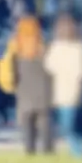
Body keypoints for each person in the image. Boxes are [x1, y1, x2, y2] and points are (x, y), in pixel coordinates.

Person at [45, 13, 82, 155]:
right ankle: (79, 151)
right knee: (76, 125)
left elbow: (49, 67)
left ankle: (78, 152)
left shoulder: (55, 47)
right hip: (77, 91)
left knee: (68, 126)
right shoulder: (80, 47)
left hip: (61, 91)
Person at [9, 13, 54, 154]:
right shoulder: (43, 45)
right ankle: (47, 149)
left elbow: (11, 69)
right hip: (43, 89)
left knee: (28, 121)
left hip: (24, 88)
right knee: (45, 121)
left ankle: (29, 149)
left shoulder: (17, 46)